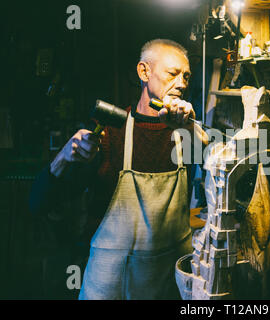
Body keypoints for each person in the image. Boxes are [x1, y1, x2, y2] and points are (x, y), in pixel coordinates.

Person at [29, 39, 207, 299]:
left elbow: (216, 164)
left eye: (186, 76)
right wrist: (63, 159)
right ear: (144, 72)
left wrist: (190, 127)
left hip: (168, 285)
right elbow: (39, 203)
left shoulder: (186, 135)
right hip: (111, 285)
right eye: (173, 73)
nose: (182, 83)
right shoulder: (110, 132)